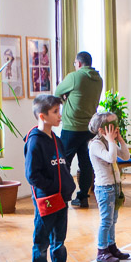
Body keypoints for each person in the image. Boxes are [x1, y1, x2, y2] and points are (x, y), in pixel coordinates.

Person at [25, 94, 77, 262]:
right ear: (42, 116)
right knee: (41, 242)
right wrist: (52, 189)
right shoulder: (35, 142)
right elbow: (32, 175)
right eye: (55, 112)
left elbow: (63, 166)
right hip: (46, 201)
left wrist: (67, 186)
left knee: (59, 241)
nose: (60, 115)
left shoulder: (57, 139)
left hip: (61, 199)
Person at [54, 51, 103, 208]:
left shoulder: (75, 77)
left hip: (71, 127)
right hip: (89, 128)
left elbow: (57, 93)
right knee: (86, 163)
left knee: (64, 162)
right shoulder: (98, 79)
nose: (75, 65)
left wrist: (66, 100)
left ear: (79, 63)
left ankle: (63, 196)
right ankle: (83, 197)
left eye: (75, 63)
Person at [88, 112, 131, 262]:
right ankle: (102, 250)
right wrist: (111, 140)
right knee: (106, 220)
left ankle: (111, 246)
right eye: (112, 126)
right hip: (104, 188)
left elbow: (125, 156)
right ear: (101, 130)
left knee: (113, 220)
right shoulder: (96, 144)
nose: (116, 128)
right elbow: (111, 158)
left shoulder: (108, 142)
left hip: (115, 187)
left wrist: (119, 140)